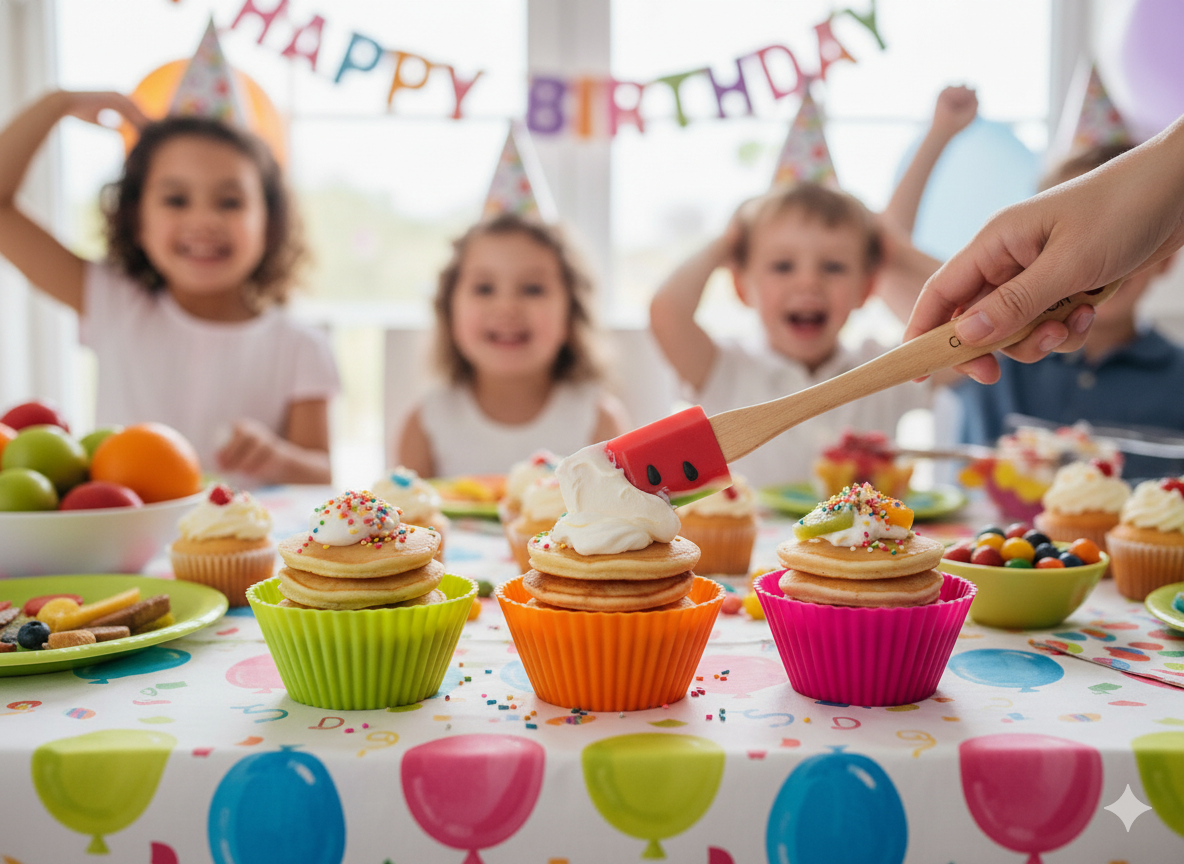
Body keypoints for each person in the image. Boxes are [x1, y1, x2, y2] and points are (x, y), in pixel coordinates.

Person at [0, 91, 339, 484]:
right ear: (136, 219)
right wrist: (56, 103)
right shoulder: (112, 301)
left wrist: (278, 458)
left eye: (230, 202)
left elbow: (322, 472)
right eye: (176, 199)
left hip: (245, 541)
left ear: (269, 222)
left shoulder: (300, 346)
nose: (204, 220)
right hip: (130, 544)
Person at [649, 181, 935, 486]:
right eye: (783, 266)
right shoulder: (725, 368)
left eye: (834, 266)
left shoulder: (883, 369)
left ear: (866, 288)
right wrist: (727, 242)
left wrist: (896, 251)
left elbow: (967, 322)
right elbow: (667, 311)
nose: (809, 282)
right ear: (741, 286)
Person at [952, 143, 1184, 478]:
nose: (1102, 265)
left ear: (1165, 255)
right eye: (1070, 242)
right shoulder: (993, 354)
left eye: (1123, 236)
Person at [903, 113, 1184, 386]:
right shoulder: (995, 356)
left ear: (1166, 257)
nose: (1087, 253)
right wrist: (940, 131)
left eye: (1123, 228)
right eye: (1065, 239)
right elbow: (883, 248)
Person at [397, 213, 630, 477]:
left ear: (571, 312)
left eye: (532, 289)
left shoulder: (599, 421)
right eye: (484, 289)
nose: (507, 307)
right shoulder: (426, 424)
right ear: (449, 309)